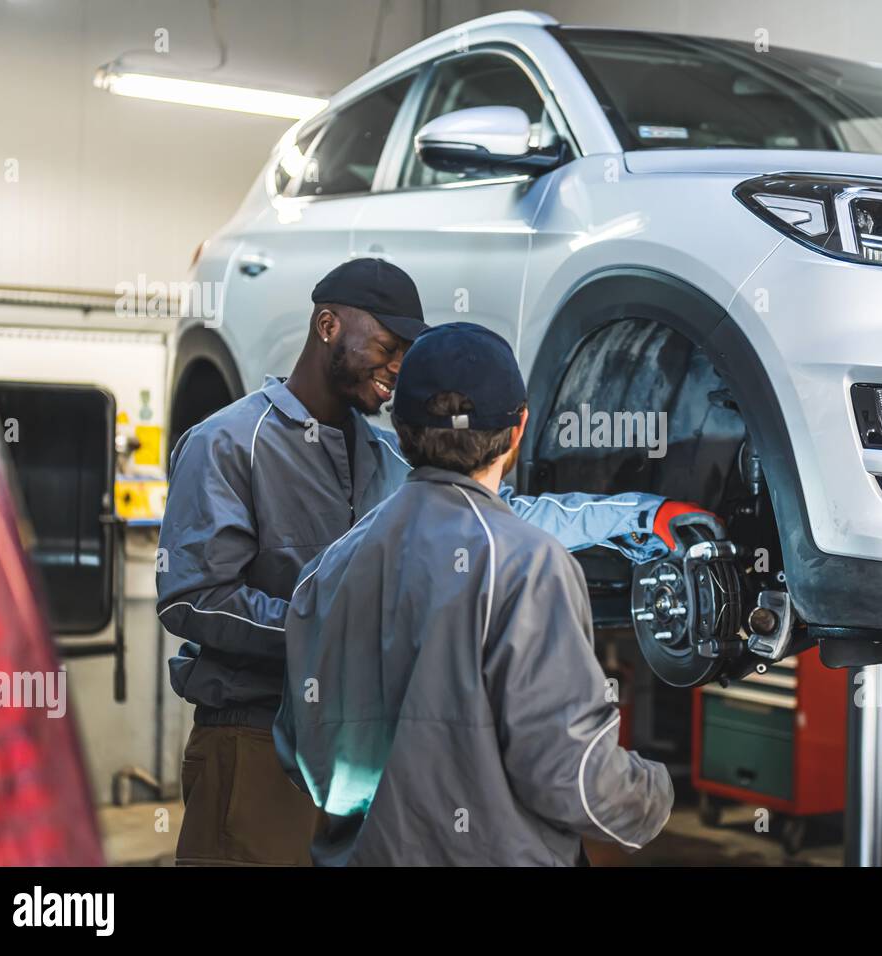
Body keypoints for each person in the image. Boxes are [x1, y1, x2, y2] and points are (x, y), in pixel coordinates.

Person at [157, 258, 703, 866]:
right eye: (387, 346)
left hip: (359, 748)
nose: (396, 366)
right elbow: (191, 598)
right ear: (328, 324)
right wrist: (331, 634)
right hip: (253, 740)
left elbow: (502, 516)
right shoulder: (228, 442)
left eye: (406, 354)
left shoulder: (388, 455)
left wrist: (637, 515)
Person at [277, 322, 675, 866]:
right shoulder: (528, 564)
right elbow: (575, 778)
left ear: (399, 426)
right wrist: (654, 792)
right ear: (518, 430)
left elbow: (300, 752)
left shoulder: (330, 567)